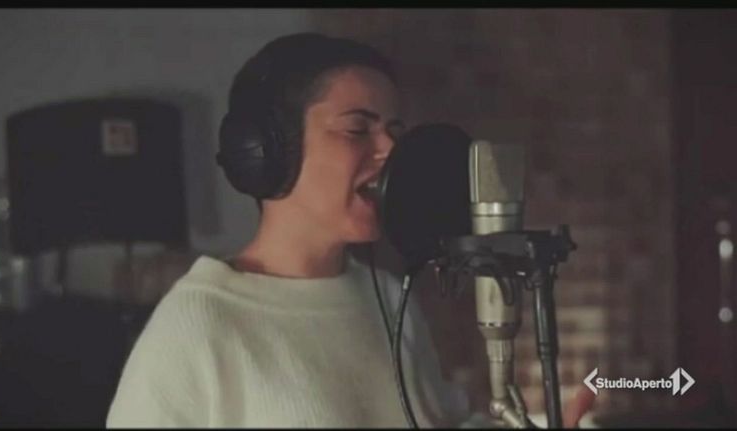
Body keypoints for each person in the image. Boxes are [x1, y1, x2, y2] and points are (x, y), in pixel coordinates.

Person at [106, 32, 594, 428]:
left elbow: (440, 422)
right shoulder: (197, 326)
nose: (390, 152)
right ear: (267, 152)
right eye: (358, 129)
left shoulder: (388, 296)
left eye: (395, 132)